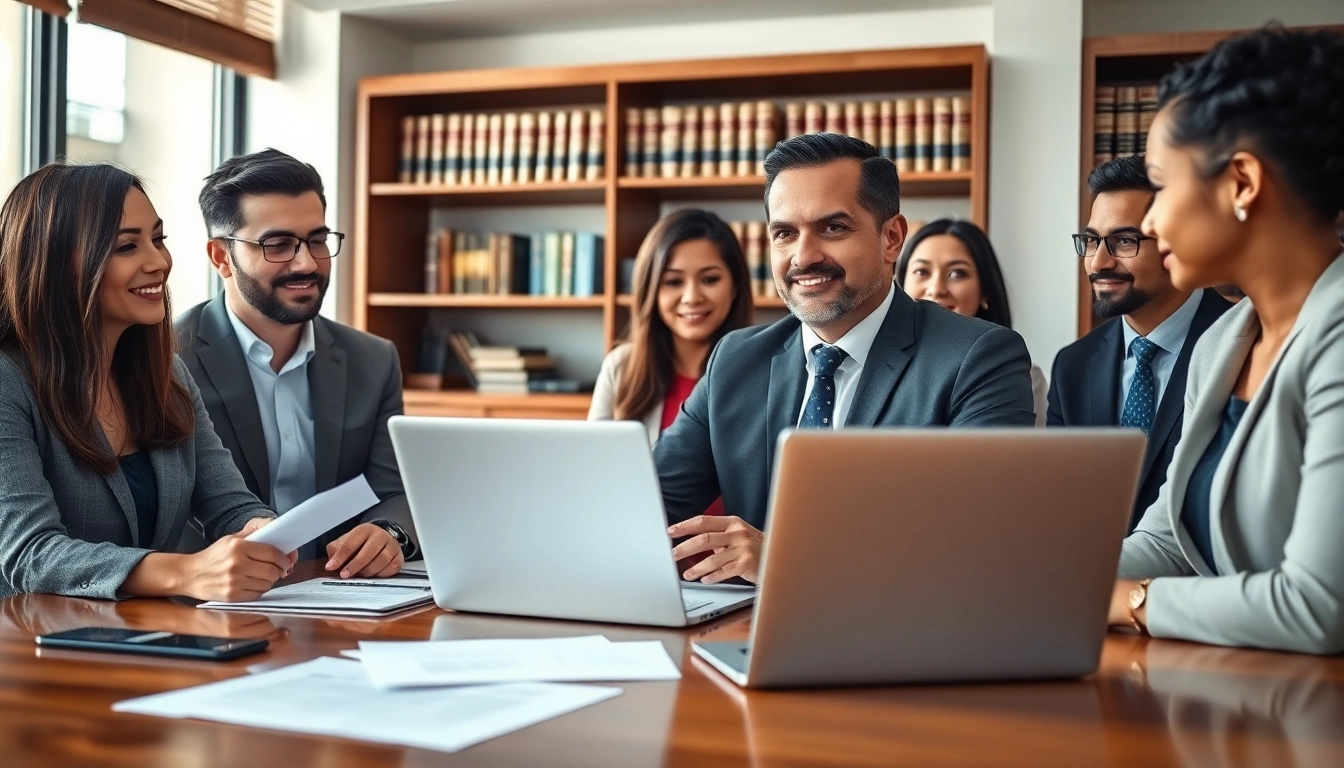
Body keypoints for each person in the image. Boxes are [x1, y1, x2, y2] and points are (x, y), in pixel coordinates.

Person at [657, 133, 1036, 585]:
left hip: (901, 640)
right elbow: (649, 504)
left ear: (891, 237)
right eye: (785, 233)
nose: (804, 257)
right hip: (741, 637)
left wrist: (784, 556)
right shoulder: (736, 360)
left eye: (833, 228)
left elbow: (979, 538)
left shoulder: (981, 356)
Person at [1110, 27, 1344, 654]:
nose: (1150, 221)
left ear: (1241, 182)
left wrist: (1133, 600)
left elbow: (1318, 606)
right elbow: (1168, 543)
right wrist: (1048, 576)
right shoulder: (1222, 344)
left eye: (1161, 184)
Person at [0, 163, 294, 601]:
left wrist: (262, 531)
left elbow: (230, 504)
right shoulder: (9, 383)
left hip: (146, 642)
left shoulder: (167, 374)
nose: (158, 262)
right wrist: (187, 573)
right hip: (36, 652)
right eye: (126, 247)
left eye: (158, 239)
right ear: (55, 263)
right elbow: (32, 554)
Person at [175, 149, 416, 579]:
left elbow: (394, 489)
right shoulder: (166, 358)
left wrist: (388, 531)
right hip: (206, 603)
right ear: (220, 257)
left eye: (318, 240)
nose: (306, 263)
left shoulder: (374, 360)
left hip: (339, 595)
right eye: (278, 245)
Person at [1049, 155, 1230, 532]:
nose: (1099, 261)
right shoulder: (1073, 366)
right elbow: (1060, 503)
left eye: (1124, 241)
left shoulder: (1241, 342)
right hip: (1096, 579)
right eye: (1092, 240)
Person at [588, 208, 753, 443]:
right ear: (651, 290)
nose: (692, 297)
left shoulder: (761, 372)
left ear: (735, 286)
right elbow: (594, 464)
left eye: (709, 279)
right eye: (673, 282)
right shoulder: (619, 368)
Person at [896, 218, 1049, 426]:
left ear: (985, 291)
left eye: (956, 273)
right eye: (922, 272)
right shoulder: (870, 363)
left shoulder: (1017, 377)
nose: (936, 288)